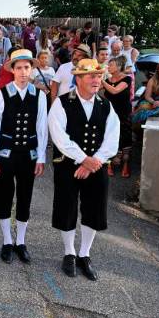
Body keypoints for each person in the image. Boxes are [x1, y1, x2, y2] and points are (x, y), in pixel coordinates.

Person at [48, 59, 120, 281]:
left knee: (94, 209)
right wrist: (82, 159)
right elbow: (60, 136)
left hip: (96, 166)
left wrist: (93, 162)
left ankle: (84, 254)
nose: (97, 80)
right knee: (67, 207)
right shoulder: (61, 103)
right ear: (78, 79)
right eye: (91, 76)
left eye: (99, 76)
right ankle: (69, 252)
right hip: (68, 164)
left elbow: (112, 139)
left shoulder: (106, 106)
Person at [0, 49, 48, 264]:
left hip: (28, 155)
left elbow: (42, 128)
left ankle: (20, 242)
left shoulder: (39, 95)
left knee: (25, 197)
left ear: (32, 69)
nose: (23, 72)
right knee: (4, 195)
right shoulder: (0, 94)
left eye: (27, 67)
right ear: (12, 70)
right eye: (19, 68)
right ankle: (6, 241)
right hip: (6, 154)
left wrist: (41, 157)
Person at [101, 55, 133, 177]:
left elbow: (115, 91)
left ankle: (125, 165)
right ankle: (109, 164)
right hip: (109, 114)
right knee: (109, 137)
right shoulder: (108, 81)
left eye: (111, 65)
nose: (108, 67)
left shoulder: (127, 79)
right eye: (108, 65)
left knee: (124, 138)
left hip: (123, 114)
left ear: (119, 67)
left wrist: (102, 80)